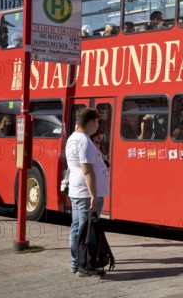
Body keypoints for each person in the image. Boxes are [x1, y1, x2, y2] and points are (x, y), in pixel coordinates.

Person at [66, 107, 110, 276]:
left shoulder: (72, 138)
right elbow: (87, 171)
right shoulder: (84, 141)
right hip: (86, 192)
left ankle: (76, 262)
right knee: (87, 230)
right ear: (90, 122)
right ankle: (85, 266)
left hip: (78, 190)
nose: (97, 125)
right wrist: (93, 195)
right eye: (97, 122)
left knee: (77, 227)